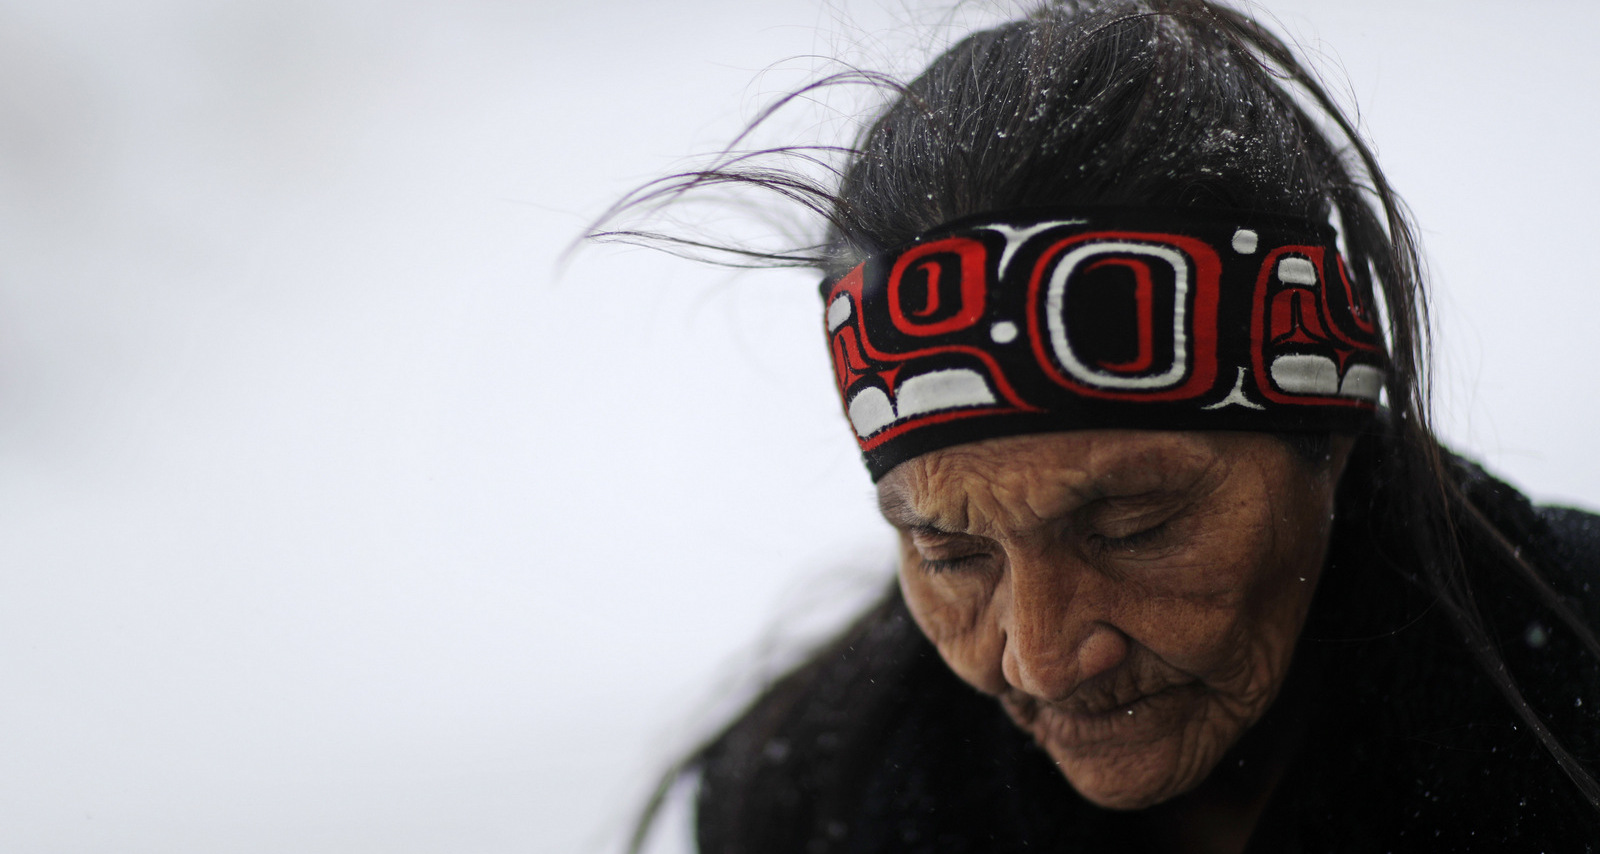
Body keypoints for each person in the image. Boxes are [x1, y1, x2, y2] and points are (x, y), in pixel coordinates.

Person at [604, 1, 1600, 850]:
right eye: (951, 552)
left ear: (1331, 434)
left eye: (1134, 526)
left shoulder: (1571, 692)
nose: (1040, 654)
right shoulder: (818, 806)